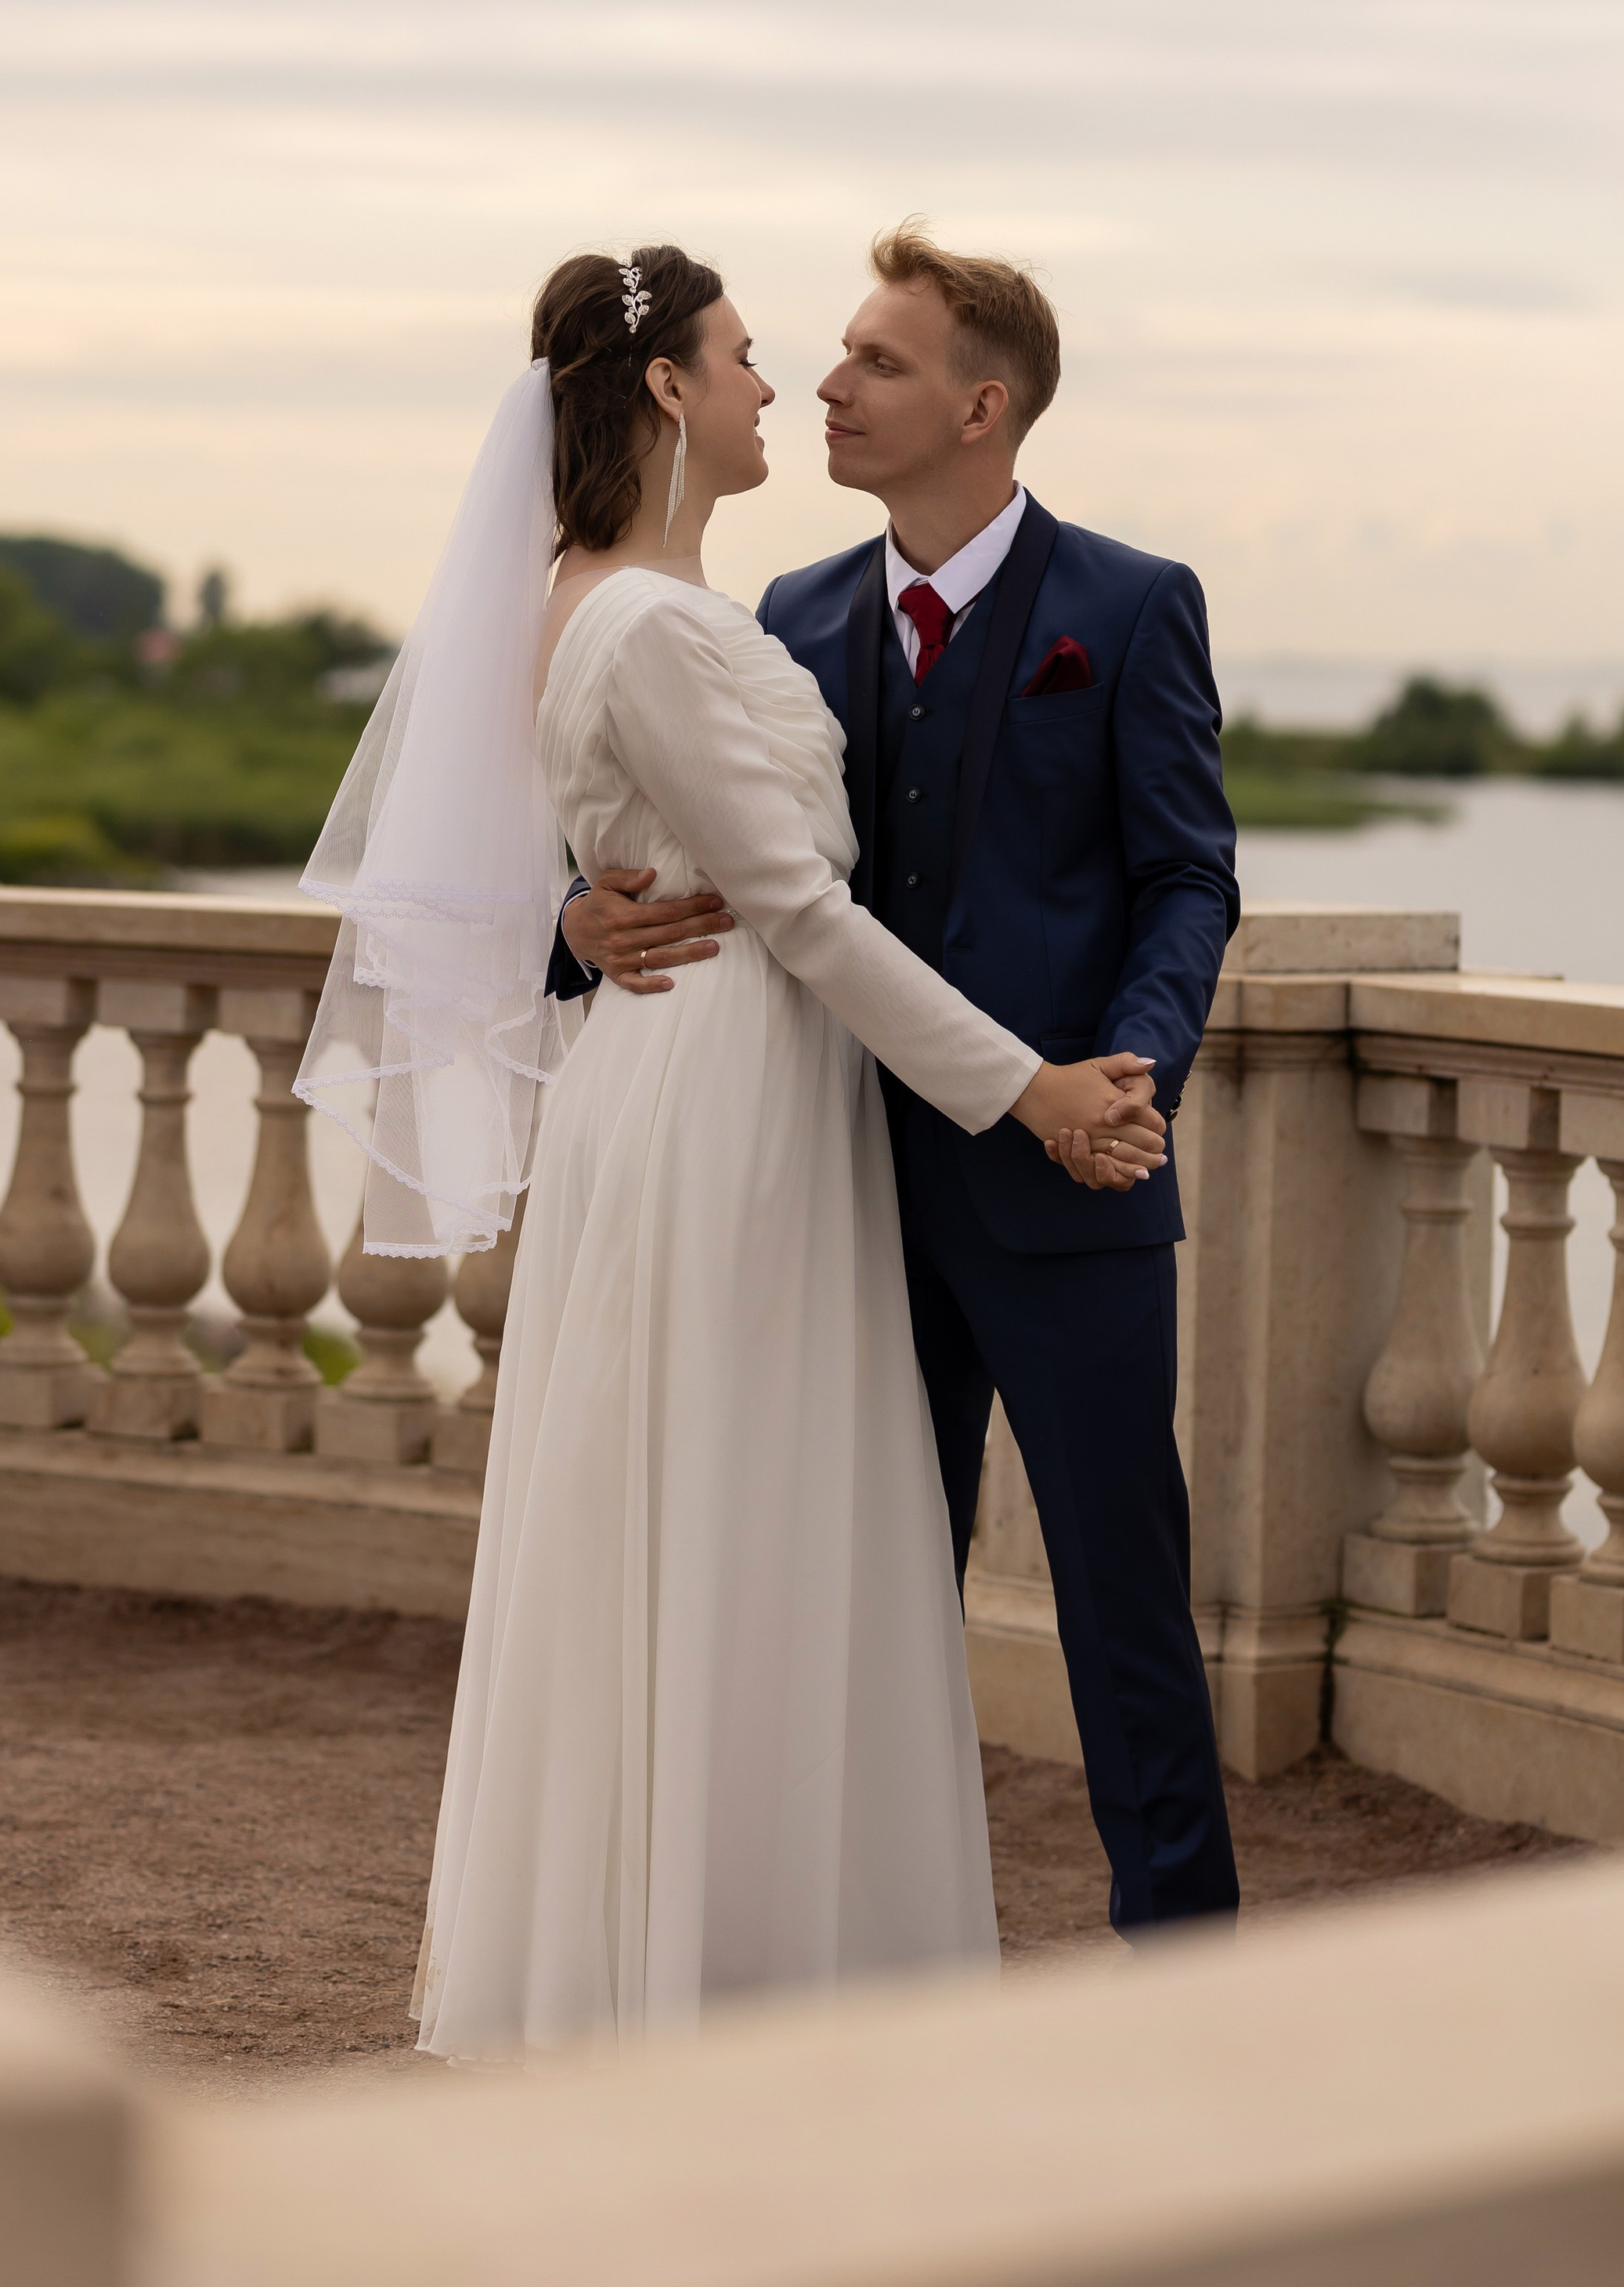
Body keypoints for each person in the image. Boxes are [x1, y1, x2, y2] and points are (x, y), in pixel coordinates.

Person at [296, 242, 1163, 2060]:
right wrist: (1030, 1089)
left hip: (727, 1077)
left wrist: (581, 913)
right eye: (751, 357)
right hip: (728, 1103)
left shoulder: (648, 602)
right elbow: (791, 906)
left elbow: (642, 838)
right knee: (728, 1510)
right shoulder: (657, 616)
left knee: (707, 1509)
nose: (784, 388)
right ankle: (712, 1974)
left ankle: (709, 1942)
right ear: (671, 391)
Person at [556, 222, 1242, 1935]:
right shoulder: (780, 613)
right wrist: (573, 924)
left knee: (1122, 1609)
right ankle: (848, 1957)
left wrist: (1129, 1072)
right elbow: (681, 847)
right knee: (843, 1604)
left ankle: (1188, 1969)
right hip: (830, 1187)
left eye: (878, 361)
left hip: (1066, 1183)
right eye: (832, 354)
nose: (833, 383)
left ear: (979, 407)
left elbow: (1185, 879)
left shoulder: (1128, 606)